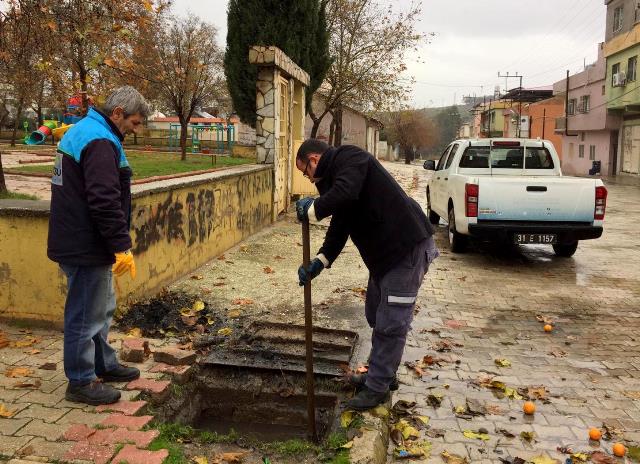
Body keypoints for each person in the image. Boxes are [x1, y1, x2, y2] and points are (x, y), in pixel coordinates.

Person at [295, 139, 439, 411]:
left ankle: (378, 388)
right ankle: (382, 372)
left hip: (406, 249)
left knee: (390, 323)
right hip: (384, 258)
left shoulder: (352, 158)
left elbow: (345, 194)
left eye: (305, 172)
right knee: (375, 313)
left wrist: (314, 208)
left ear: (314, 159)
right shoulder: (339, 181)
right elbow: (341, 223)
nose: (308, 178)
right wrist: (320, 260)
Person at [47, 86, 150, 405]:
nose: (135, 130)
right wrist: (121, 245)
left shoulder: (90, 131)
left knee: (100, 307)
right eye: (133, 123)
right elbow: (104, 200)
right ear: (117, 113)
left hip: (83, 238)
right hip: (86, 243)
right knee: (84, 313)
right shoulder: (100, 141)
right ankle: (80, 380)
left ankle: (102, 363)